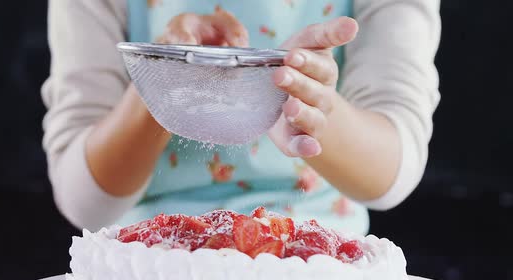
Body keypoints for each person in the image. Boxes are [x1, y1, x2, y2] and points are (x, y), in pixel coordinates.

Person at [42, 0, 440, 234]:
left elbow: (390, 175)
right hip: (147, 261)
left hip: (320, 262)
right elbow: (85, 203)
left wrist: (308, 104)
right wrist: (166, 76)